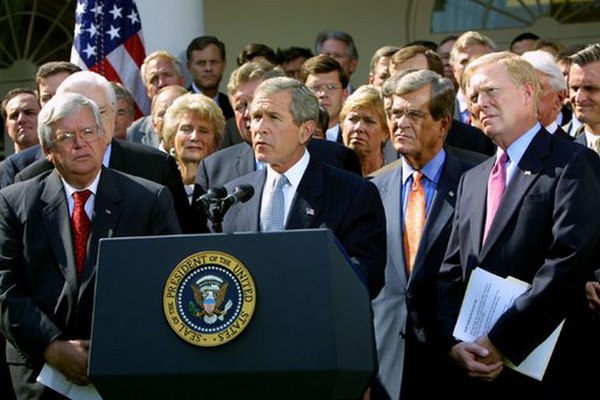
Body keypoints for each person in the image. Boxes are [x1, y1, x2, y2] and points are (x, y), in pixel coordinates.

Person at [436, 51, 600, 398]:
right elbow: (451, 271)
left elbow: (568, 263)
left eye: (491, 91)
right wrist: (455, 343)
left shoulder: (573, 163)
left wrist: (501, 342)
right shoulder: (473, 178)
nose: (481, 103)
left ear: (528, 93)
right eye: (474, 96)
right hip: (474, 366)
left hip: (546, 369)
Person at [0, 92, 181, 398]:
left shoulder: (149, 200)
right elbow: (5, 285)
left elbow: (168, 281)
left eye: (87, 132)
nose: (79, 143)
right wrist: (51, 345)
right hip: (39, 375)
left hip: (127, 371)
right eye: (66, 136)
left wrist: (110, 349)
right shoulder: (15, 202)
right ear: (47, 149)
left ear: (104, 137)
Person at [219, 76, 386, 298]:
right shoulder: (233, 197)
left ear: (305, 131)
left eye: (273, 118)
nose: (259, 128)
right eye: (257, 117)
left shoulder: (353, 193)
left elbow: (366, 277)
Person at [369, 69, 474, 400]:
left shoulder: (476, 181)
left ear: (443, 125)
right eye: (395, 113)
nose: (400, 122)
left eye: (413, 114)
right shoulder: (371, 188)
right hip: (384, 359)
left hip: (453, 358)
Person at [14, 71, 201, 234]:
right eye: (73, 114)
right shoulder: (29, 181)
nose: (89, 123)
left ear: (114, 114)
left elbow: (181, 243)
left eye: (98, 112)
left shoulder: (155, 167)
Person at [196, 61, 361, 192]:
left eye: (257, 103)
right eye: (240, 106)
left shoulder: (337, 159)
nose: (249, 113)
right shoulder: (213, 169)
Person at [161, 93, 224, 204]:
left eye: (203, 131)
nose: (195, 137)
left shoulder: (225, 185)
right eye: (186, 129)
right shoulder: (160, 184)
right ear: (172, 139)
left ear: (215, 142)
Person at [128, 50, 185, 148]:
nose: (161, 83)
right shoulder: (134, 132)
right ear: (147, 90)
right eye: (154, 79)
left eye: (166, 75)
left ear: (181, 81)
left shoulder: (205, 119)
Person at [521, 50, 573, 139]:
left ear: (559, 98)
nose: (525, 98)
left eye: (536, 89)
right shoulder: (500, 147)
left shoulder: (577, 152)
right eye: (519, 89)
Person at [340, 85, 389, 175]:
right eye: (353, 119)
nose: (358, 128)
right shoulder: (326, 175)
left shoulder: (396, 180)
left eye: (369, 121)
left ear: (386, 132)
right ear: (342, 125)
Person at [300, 55, 349, 143]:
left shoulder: (352, 138)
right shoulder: (292, 138)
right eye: (315, 88)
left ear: (344, 94)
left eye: (331, 87)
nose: (323, 94)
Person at [449, 31, 496, 124]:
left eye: (479, 60)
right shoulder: (440, 113)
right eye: (464, 62)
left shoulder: (505, 110)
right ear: (453, 69)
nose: (471, 66)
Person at [185, 36, 234, 120]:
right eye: (201, 63)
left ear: (224, 64)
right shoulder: (180, 104)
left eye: (214, 62)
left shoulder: (232, 106)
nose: (208, 68)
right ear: (189, 67)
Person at [1, 88, 40, 153]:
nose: (21, 119)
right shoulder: (5, 163)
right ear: (7, 125)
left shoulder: (60, 162)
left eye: (29, 113)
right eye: (14, 115)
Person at [150, 85, 188, 152]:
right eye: (162, 114)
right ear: (154, 125)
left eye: (176, 112)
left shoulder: (207, 161)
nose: (169, 119)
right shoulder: (145, 161)